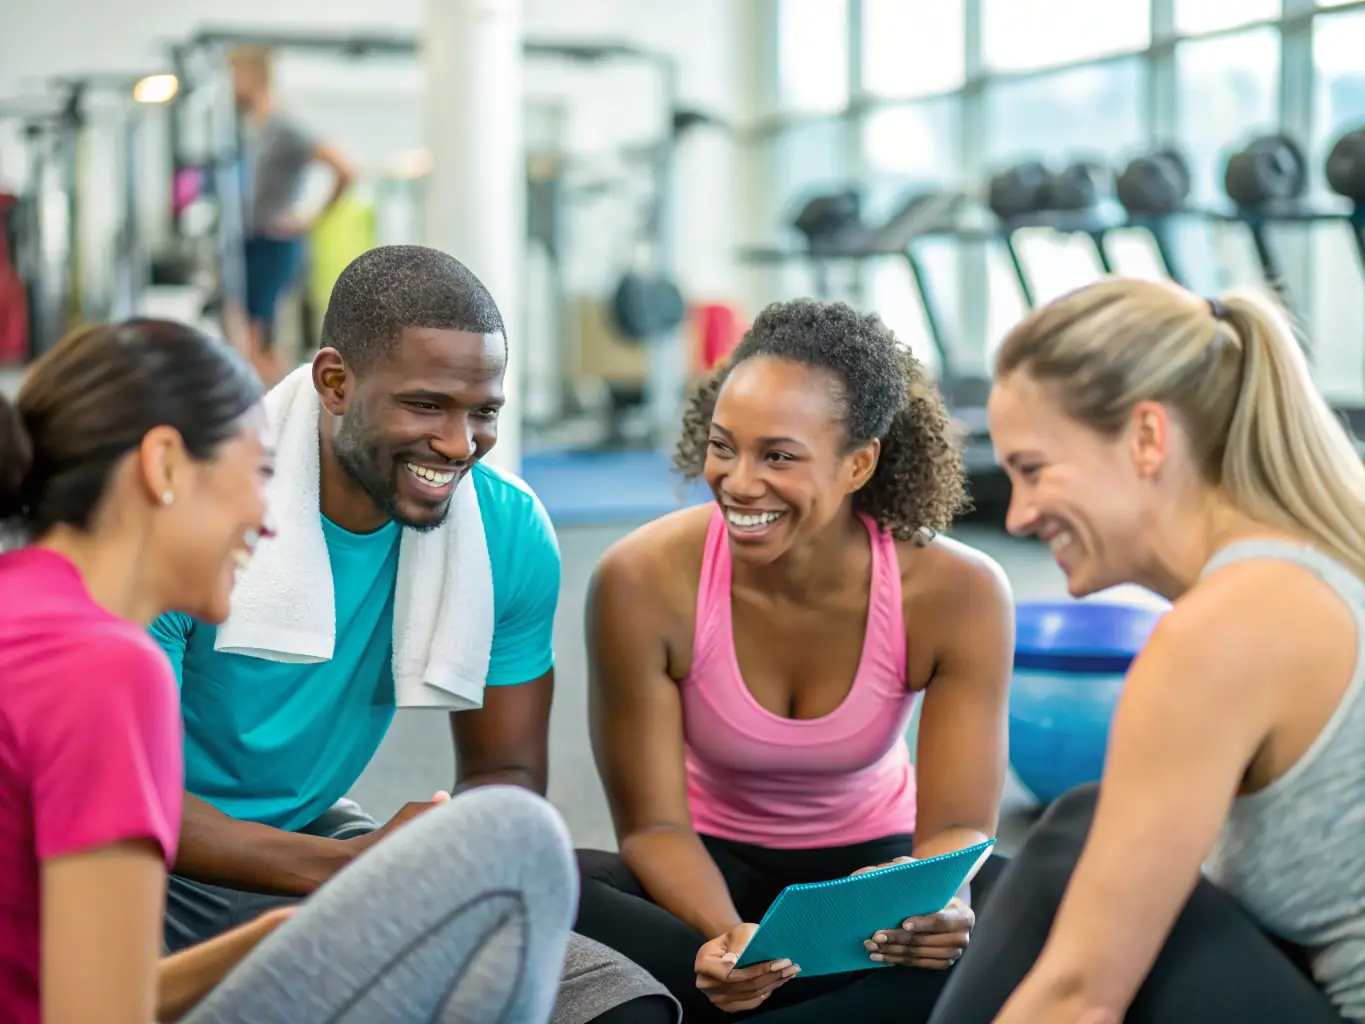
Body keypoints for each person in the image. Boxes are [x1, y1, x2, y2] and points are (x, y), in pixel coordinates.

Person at [151, 245, 678, 1024]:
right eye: (426, 405)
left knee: (614, 1008)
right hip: (140, 862)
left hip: (319, 838)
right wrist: (344, 869)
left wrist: (434, 852)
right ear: (335, 383)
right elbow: (125, 797)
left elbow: (502, 770)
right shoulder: (196, 515)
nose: (461, 443)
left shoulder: (507, 530)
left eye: (484, 412)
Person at [0, 318, 579, 1024]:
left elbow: (82, 991)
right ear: (165, 468)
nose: (269, 521)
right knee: (518, 841)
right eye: (258, 478)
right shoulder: (104, 667)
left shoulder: (23, 611)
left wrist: (288, 938)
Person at [927, 278, 1365, 1024]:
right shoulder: (1313, 565)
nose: (1022, 514)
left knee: (1076, 842)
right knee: (1037, 871)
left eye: (1033, 469)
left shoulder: (1228, 626)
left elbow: (1079, 999)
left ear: (1147, 438)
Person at [573, 298, 1016, 1022]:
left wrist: (942, 905)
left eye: (778, 455)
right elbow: (653, 827)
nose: (740, 483)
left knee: (1027, 906)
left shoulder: (957, 591)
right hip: (702, 879)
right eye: (724, 447)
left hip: (873, 884)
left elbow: (958, 828)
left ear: (858, 464)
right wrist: (727, 945)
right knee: (552, 883)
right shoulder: (641, 578)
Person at [230, 44, 355, 388]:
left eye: (232, 76)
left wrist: (308, 219)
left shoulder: (286, 126)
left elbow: (345, 169)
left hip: (275, 242)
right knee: (248, 337)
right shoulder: (250, 127)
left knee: (257, 339)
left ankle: (279, 418)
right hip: (251, 239)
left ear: (252, 77)